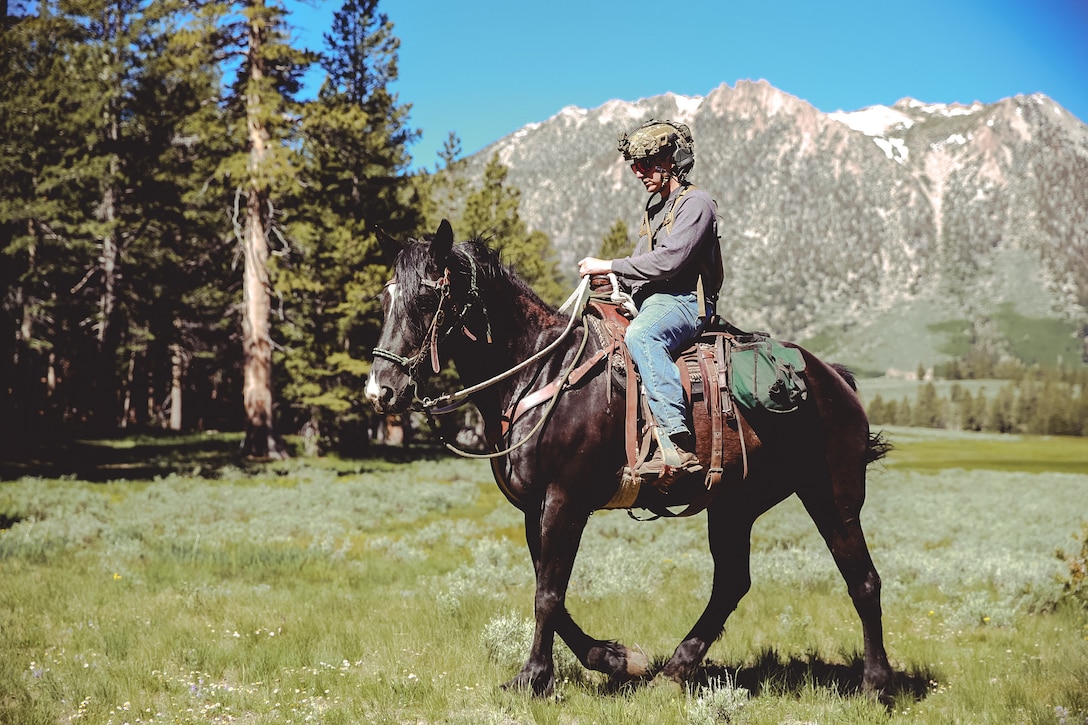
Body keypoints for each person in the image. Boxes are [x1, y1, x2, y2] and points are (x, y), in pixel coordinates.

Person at [578, 119, 723, 488]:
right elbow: (642, 268)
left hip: (685, 302)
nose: (638, 173)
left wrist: (609, 264)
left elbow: (670, 261)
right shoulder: (655, 211)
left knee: (642, 336)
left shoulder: (697, 204)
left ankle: (677, 440)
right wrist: (611, 279)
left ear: (670, 161)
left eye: (645, 164)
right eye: (634, 166)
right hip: (652, 300)